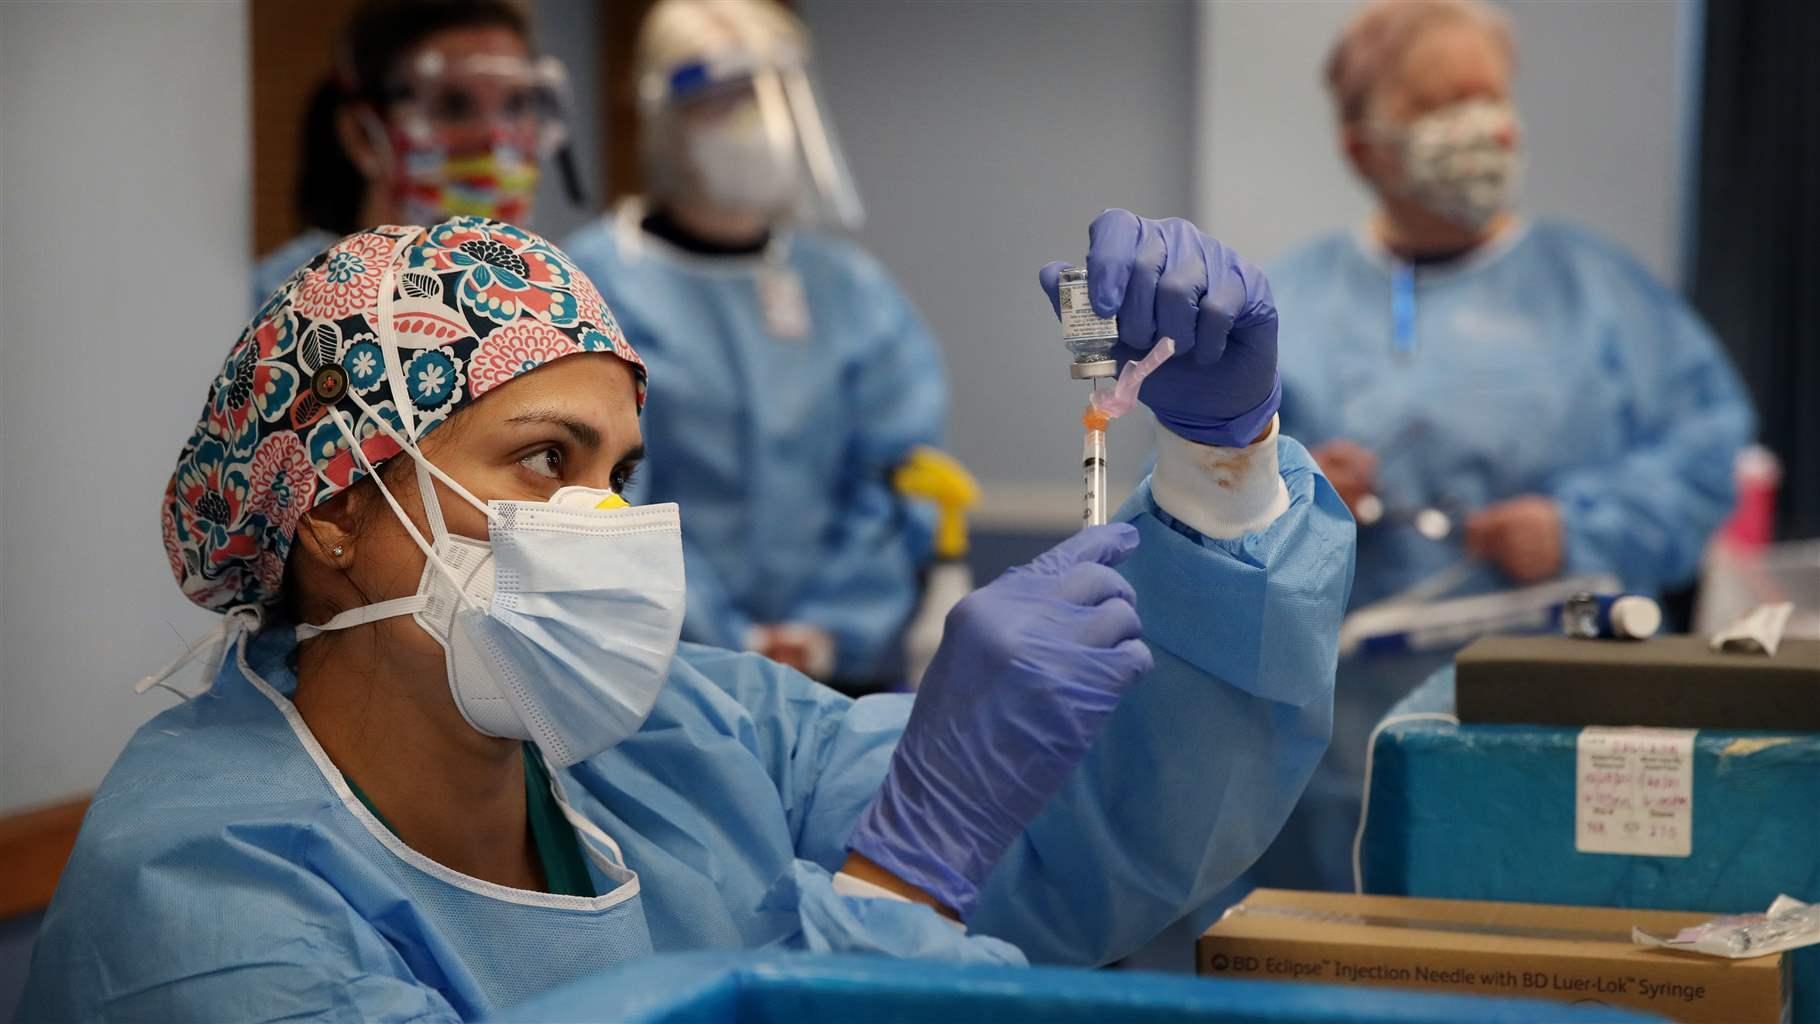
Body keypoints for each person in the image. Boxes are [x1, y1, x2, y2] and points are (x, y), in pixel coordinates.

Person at [19, 210, 1353, 1022]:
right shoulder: (197, 900)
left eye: (621, 474)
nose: (604, 521)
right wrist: (890, 883)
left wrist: (1220, 468)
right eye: (547, 459)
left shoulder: (697, 737)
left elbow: (1084, 840)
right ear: (334, 511)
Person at [1258, 0, 1754, 893]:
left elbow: (1708, 444)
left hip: (1577, 723)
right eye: (1442, 103)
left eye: (1490, 96)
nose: (1480, 126)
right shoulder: (1288, 307)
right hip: (1345, 754)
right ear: (1363, 146)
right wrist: (1290, 490)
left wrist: (1580, 529)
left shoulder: (1594, 292)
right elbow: (1201, 505)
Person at [563, 0, 943, 687]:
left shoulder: (848, 290)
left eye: (773, 93)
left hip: (838, 676)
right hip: (658, 673)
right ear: (661, 112)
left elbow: (896, 476)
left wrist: (830, 630)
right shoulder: (588, 284)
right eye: (723, 98)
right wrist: (717, 635)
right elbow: (607, 489)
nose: (756, 123)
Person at [252, 0, 572, 307]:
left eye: (516, 105)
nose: (495, 139)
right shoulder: (275, 305)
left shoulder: (556, 299)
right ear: (363, 135)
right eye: (453, 106)